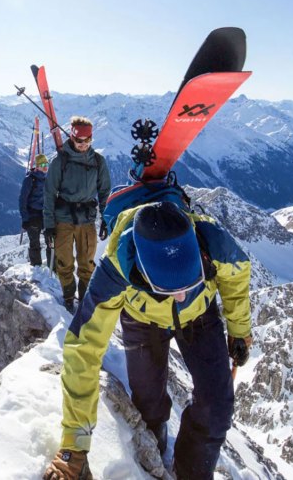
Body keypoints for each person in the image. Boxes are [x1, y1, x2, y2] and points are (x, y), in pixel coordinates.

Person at [43, 202, 252, 480]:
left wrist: (239, 329)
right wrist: (74, 446)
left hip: (200, 316)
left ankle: (192, 473)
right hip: (143, 321)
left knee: (218, 408)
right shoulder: (116, 270)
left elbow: (237, 276)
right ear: (140, 272)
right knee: (148, 407)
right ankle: (154, 454)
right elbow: (83, 350)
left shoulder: (213, 241)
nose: (179, 296)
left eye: (189, 284)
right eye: (167, 289)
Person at [43, 117, 111, 313]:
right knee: (64, 261)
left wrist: (105, 220)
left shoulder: (98, 161)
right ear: (72, 138)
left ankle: (83, 298)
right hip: (63, 219)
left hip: (87, 220)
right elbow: (49, 194)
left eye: (87, 141)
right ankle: (67, 296)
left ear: (91, 139)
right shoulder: (60, 162)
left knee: (87, 263)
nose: (83, 145)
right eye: (79, 141)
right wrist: (49, 225)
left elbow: (105, 191)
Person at [20, 153, 51, 267]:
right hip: (33, 214)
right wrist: (25, 218)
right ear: (37, 166)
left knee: (51, 240)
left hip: (45, 214)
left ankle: (52, 266)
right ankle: (36, 267)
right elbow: (22, 199)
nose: (45, 166)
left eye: (46, 164)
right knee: (34, 242)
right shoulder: (30, 179)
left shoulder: (47, 179)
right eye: (42, 164)